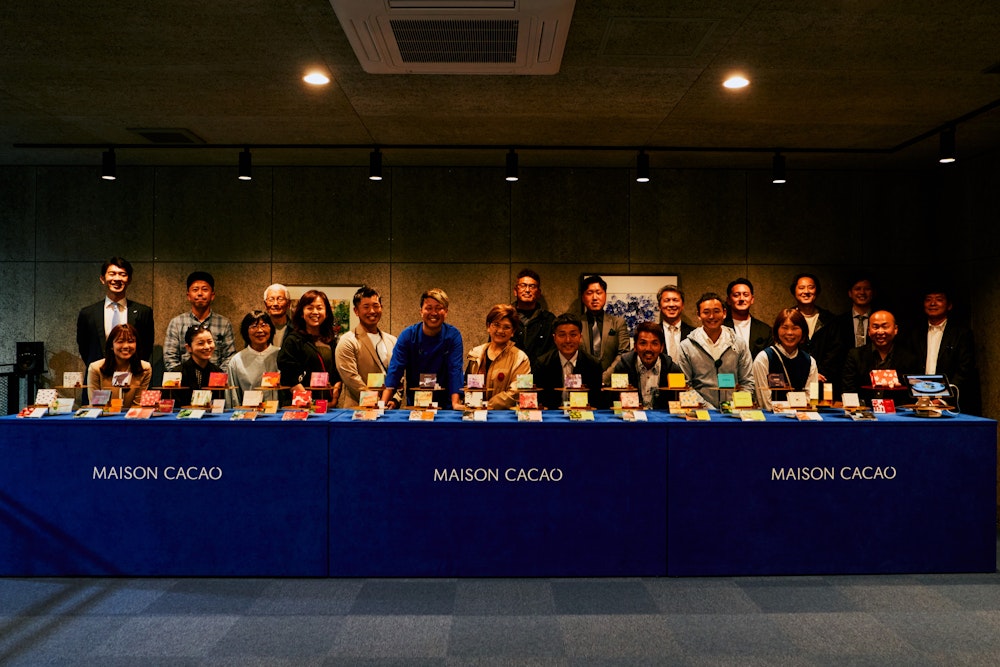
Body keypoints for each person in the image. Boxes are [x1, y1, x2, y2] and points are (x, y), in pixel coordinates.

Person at [382, 288, 465, 410]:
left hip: (446, 406)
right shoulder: (408, 335)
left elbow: (455, 370)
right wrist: (383, 402)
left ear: (446, 312)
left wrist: (455, 403)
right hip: (416, 404)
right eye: (429, 308)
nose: (434, 313)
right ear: (421, 311)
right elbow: (395, 369)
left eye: (439, 308)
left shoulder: (453, 336)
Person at [902, 288, 980, 414]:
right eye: (928, 299)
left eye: (939, 299)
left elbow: (965, 369)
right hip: (918, 400)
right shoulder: (914, 333)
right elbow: (908, 365)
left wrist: (943, 397)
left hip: (950, 404)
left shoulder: (961, 334)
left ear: (949, 305)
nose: (933, 303)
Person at [677, 292, 755, 408]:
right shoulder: (686, 346)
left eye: (716, 311)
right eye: (706, 312)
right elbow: (685, 386)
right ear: (698, 315)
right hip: (700, 413)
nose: (712, 316)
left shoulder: (739, 344)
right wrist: (708, 409)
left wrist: (733, 407)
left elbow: (747, 382)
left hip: (733, 412)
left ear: (724, 313)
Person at [76, 256, 154, 368]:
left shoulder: (143, 312)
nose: (117, 278)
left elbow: (146, 347)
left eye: (122, 274)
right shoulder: (88, 313)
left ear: (129, 279)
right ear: (102, 279)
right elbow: (84, 348)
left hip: (132, 374)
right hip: (98, 374)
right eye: (112, 274)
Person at [335, 285, 399, 407]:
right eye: (366, 307)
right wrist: (376, 401)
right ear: (356, 311)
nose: (372, 311)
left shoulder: (392, 340)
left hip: (389, 410)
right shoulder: (347, 341)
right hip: (358, 410)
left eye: (376, 306)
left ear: (381, 308)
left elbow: (398, 374)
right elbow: (351, 378)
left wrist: (395, 399)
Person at [277, 289, 343, 405]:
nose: (315, 312)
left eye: (319, 308)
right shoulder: (293, 340)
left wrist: (334, 398)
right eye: (310, 308)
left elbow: (337, 373)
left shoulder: (331, 340)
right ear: (301, 313)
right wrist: (310, 403)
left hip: (329, 405)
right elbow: (289, 376)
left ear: (327, 313)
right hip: (301, 406)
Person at [163, 271, 236, 372]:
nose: (200, 293)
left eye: (205, 289)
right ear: (188, 296)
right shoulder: (176, 323)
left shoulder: (224, 323)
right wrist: (183, 377)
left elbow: (229, 357)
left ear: (212, 295)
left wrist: (217, 378)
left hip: (215, 379)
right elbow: (170, 357)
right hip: (184, 379)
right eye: (195, 289)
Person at [815, 276, 877, 395]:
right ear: (850, 293)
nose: (862, 292)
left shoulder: (881, 322)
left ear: (873, 292)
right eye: (857, 289)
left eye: (867, 289)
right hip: (843, 382)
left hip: (874, 381)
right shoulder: (837, 323)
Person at [534, 313, 607, 410]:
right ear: (554, 338)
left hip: (583, 415)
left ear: (580, 337)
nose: (568, 340)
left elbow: (596, 401)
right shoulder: (543, 364)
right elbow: (540, 400)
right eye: (562, 335)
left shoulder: (593, 365)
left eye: (573, 335)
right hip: (553, 415)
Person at [465, 304, 531, 409]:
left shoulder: (522, 358)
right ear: (488, 326)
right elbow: (468, 387)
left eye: (506, 327)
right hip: (477, 413)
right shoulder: (475, 353)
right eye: (496, 325)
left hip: (506, 415)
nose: (500, 331)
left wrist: (488, 405)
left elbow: (520, 390)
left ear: (513, 332)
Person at [841, 310, 919, 399]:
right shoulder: (855, 355)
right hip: (864, 407)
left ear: (895, 329)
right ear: (869, 331)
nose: (880, 332)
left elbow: (914, 393)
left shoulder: (909, 358)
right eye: (875, 327)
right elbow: (848, 390)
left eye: (885, 327)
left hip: (898, 407)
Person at [752, 309, 819, 411]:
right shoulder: (764, 358)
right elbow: (764, 401)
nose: (789, 333)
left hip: (801, 417)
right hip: (772, 417)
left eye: (795, 328)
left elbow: (812, 399)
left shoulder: (810, 361)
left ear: (803, 331)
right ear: (777, 330)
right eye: (784, 328)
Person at [610, 321, 684, 409]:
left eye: (654, 343)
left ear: (661, 347)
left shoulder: (672, 370)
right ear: (635, 347)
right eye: (643, 343)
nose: (648, 349)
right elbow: (615, 401)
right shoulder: (623, 368)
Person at [86, 323, 152, 408]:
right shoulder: (95, 368)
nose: (126, 346)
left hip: (132, 415)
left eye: (131, 341)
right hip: (104, 415)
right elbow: (96, 405)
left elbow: (138, 404)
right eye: (120, 341)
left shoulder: (145, 368)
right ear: (111, 345)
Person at [578, 275, 629, 385]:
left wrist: (605, 377)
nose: (594, 297)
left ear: (605, 295)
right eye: (589, 293)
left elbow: (624, 354)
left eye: (598, 292)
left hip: (611, 383)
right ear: (583, 297)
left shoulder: (618, 323)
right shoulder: (576, 324)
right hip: (583, 384)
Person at [227, 310, 279, 407]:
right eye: (254, 326)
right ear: (246, 331)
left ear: (271, 329)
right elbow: (233, 397)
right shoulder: (237, 360)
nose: (260, 330)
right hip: (248, 413)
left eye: (263, 325)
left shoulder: (281, 355)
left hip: (279, 413)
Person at [510, 269, 555, 367]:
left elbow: (553, 353)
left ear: (538, 292)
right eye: (523, 285)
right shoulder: (505, 317)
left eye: (532, 286)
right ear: (515, 291)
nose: (527, 290)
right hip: (510, 373)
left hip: (540, 373)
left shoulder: (549, 319)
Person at [175, 324, 224, 407]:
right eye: (201, 343)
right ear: (188, 347)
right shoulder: (178, 373)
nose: (207, 347)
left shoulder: (218, 372)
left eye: (210, 342)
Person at [723, 278, 772, 359]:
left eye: (745, 295)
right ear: (728, 300)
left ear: (752, 299)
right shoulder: (720, 328)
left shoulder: (765, 330)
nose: (741, 299)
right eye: (736, 295)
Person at [789, 272, 835, 357]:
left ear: (817, 291)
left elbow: (835, 350)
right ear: (794, 291)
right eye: (801, 288)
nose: (806, 291)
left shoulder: (829, 319)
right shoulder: (788, 318)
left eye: (811, 287)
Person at [657, 285, 693, 362]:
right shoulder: (653, 333)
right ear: (659, 306)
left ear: (682, 305)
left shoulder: (694, 334)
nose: (671, 304)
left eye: (675, 300)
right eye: (667, 300)